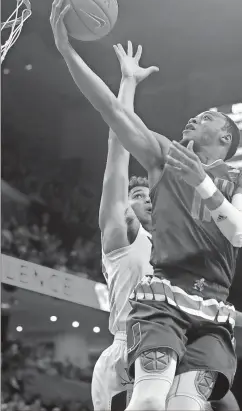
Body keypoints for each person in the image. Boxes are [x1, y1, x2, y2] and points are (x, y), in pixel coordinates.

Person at [50, 0, 242, 410]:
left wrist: (202, 181)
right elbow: (112, 112)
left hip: (212, 307)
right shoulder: (164, 156)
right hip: (163, 296)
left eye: (205, 117)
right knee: (148, 403)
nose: (193, 119)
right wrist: (66, 49)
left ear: (225, 137)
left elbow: (240, 232)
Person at [91, 43, 156, 410]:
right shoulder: (122, 232)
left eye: (149, 193)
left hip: (164, 346)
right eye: (137, 193)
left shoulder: (170, 243)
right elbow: (119, 142)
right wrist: (128, 83)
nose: (145, 197)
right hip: (124, 353)